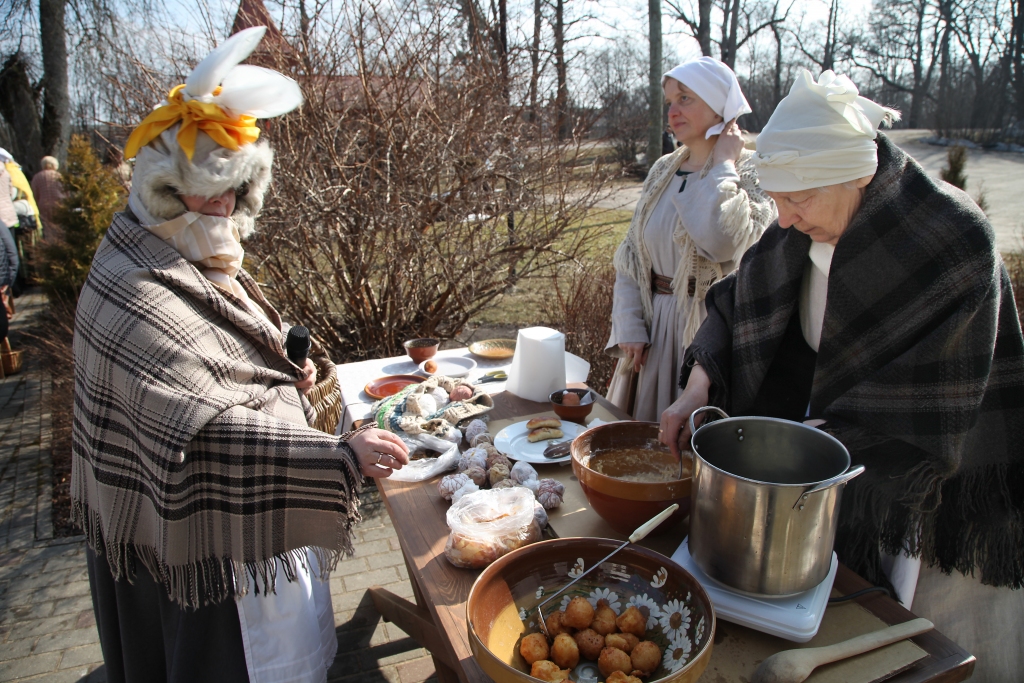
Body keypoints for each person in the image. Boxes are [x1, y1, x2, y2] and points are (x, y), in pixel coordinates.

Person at [659, 69, 1024, 681]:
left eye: (798, 200)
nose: (787, 218)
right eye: (777, 200)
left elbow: (932, 397)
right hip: (821, 453)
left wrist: (802, 453)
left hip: (921, 478)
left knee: (910, 635)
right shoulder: (797, 224)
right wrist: (698, 385)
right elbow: (732, 302)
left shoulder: (950, 243)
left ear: (858, 173)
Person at [72, 27, 410, 683]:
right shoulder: (129, 284)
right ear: (166, 184)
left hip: (249, 525)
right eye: (210, 189)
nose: (224, 206)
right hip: (203, 540)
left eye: (236, 189)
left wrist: (285, 369)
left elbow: (226, 342)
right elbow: (197, 426)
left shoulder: (185, 237)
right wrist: (335, 456)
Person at [605, 57, 775, 421]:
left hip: (708, 335)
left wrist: (724, 165)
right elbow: (632, 255)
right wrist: (630, 325)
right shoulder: (662, 170)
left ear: (719, 107)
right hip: (651, 336)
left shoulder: (754, 173)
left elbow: (722, 242)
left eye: (685, 99)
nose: (673, 111)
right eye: (669, 101)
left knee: (693, 452)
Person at [31, 156, 65, 242]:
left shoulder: (37, 177)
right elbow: (66, 191)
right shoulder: (59, 176)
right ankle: (61, 243)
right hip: (59, 204)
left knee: (47, 227)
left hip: (43, 204)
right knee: (60, 226)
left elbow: (34, 193)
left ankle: (49, 245)